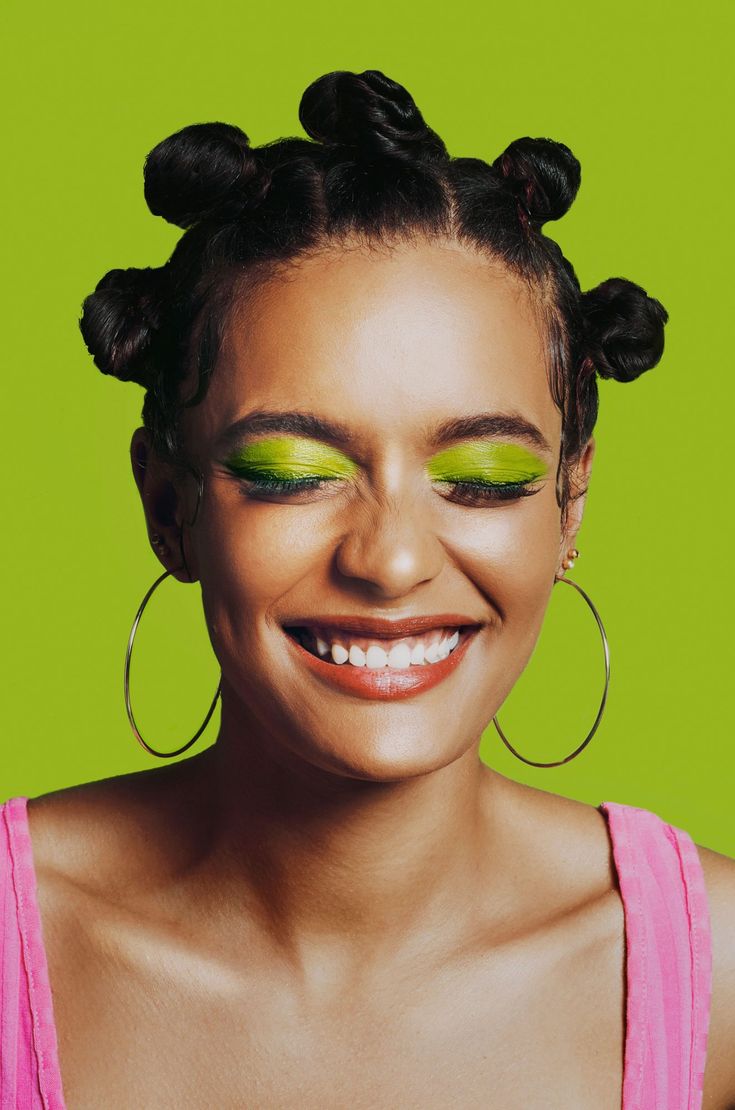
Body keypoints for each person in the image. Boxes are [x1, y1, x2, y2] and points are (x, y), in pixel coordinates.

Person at [1, 68, 733, 1108]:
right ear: (169, 507)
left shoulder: (718, 981)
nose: (390, 560)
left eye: (484, 480)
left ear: (569, 507)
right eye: (291, 475)